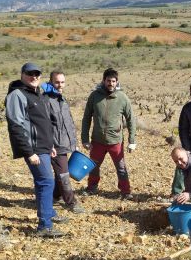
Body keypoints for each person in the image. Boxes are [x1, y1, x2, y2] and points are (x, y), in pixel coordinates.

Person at [5, 63, 67, 238]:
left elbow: (42, 123)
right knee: (46, 181)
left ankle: (49, 214)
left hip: (43, 147)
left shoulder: (36, 93)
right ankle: (45, 225)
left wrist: (50, 146)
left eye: (37, 74)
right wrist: (29, 152)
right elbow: (16, 125)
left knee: (46, 182)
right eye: (30, 74)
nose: (34, 77)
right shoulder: (17, 95)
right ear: (22, 74)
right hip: (33, 149)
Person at [81, 68, 136, 200]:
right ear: (103, 81)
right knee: (93, 166)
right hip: (97, 140)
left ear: (117, 82)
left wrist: (132, 141)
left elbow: (131, 119)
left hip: (115, 141)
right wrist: (85, 139)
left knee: (121, 168)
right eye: (108, 81)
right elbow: (86, 118)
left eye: (113, 81)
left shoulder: (122, 98)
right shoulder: (94, 96)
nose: (111, 83)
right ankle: (92, 188)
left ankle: (125, 191)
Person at [42, 71, 85, 214]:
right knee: (63, 175)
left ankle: (55, 196)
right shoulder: (46, 99)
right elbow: (44, 125)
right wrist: (50, 145)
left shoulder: (61, 99)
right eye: (57, 82)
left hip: (64, 143)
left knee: (60, 173)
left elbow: (69, 123)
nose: (60, 85)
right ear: (50, 82)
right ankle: (71, 202)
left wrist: (74, 143)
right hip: (55, 146)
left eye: (62, 82)